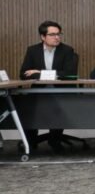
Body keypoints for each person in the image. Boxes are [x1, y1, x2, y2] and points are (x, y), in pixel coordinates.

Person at [19, 20, 79, 152]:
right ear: (43, 36)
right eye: (52, 34)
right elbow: (24, 74)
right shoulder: (33, 50)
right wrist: (51, 75)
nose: (57, 37)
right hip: (38, 91)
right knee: (26, 105)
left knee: (58, 103)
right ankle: (30, 141)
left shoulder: (67, 50)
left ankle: (55, 140)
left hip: (60, 91)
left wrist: (39, 73)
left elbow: (69, 74)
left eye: (58, 34)